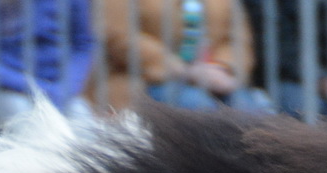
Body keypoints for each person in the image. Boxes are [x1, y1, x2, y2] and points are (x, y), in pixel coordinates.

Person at [87, 0, 264, 112]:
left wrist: (222, 67)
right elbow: (117, 35)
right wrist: (183, 70)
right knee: (199, 109)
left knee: (253, 112)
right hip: (146, 79)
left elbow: (237, 38)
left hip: (213, 78)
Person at [0, 0, 97, 125]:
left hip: (58, 88)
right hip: (5, 87)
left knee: (82, 120)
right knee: (27, 121)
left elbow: (83, 44)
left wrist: (66, 87)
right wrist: (30, 86)